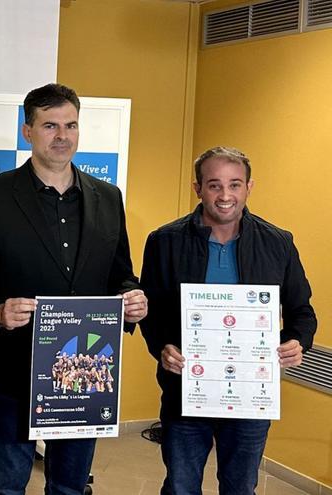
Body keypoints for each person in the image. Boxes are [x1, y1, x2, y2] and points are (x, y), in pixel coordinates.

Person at [0, 83, 148, 495]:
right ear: (28, 131)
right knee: (9, 481)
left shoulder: (108, 197)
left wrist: (132, 298)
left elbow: (121, 274)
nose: (62, 135)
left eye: (71, 125)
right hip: (16, 367)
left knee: (70, 484)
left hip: (87, 370)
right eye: (50, 125)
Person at [139, 146, 317, 495]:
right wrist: (162, 347)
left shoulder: (278, 243)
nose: (225, 195)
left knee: (239, 488)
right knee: (180, 487)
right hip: (185, 392)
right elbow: (152, 311)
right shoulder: (164, 241)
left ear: (249, 187)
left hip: (251, 396)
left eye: (234, 185)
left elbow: (301, 312)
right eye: (214, 185)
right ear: (198, 189)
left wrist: (298, 341)